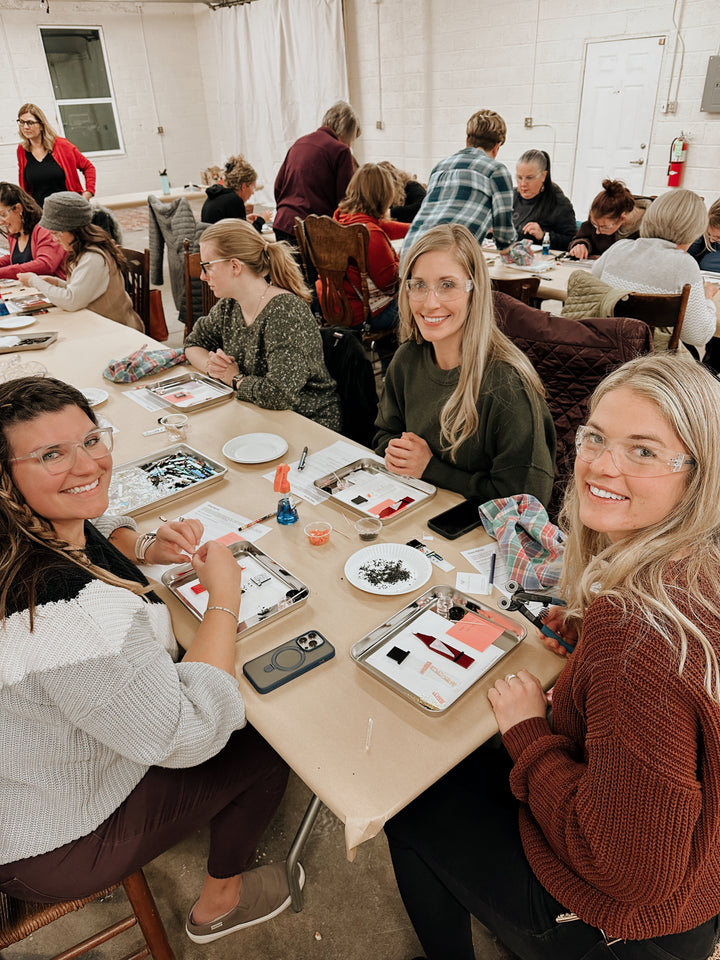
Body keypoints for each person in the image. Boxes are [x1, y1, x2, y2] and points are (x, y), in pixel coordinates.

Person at [385, 352, 720, 960]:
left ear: (696, 475)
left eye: (643, 451)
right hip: (698, 885)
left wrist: (528, 735)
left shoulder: (638, 635)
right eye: (595, 437)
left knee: (414, 804)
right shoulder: (692, 571)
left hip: (624, 923)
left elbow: (631, 871)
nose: (601, 465)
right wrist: (590, 640)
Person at [0, 376, 297, 945]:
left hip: (35, 771)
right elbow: (188, 731)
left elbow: (92, 517)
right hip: (44, 839)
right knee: (264, 742)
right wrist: (225, 601)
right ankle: (220, 903)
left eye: (91, 440)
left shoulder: (25, 530)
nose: (87, 466)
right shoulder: (70, 613)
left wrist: (139, 545)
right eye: (50, 454)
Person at [374, 223, 555, 504]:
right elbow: (385, 433)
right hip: (417, 513)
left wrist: (430, 469)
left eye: (447, 285)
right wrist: (397, 453)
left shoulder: (508, 385)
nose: (429, 303)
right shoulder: (407, 359)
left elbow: (527, 502)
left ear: (475, 292)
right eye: (418, 285)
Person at [184, 219, 341, 430]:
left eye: (207, 266)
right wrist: (213, 368)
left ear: (234, 266)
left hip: (306, 425)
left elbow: (279, 394)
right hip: (259, 415)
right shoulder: (229, 306)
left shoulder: (285, 312)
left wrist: (234, 377)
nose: (203, 276)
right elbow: (193, 344)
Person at [592, 189, 719, 352]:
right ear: (695, 230)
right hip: (651, 363)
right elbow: (697, 336)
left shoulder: (618, 248)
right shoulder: (684, 264)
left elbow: (592, 290)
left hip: (604, 350)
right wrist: (707, 299)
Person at [17, 192, 142, 330]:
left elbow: (72, 301)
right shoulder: (84, 251)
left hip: (116, 329)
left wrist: (34, 281)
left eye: (56, 233)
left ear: (74, 229)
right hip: (100, 325)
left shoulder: (93, 257)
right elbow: (86, 290)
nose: (54, 239)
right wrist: (58, 283)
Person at [402, 110, 516, 255]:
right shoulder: (496, 171)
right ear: (497, 147)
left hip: (409, 254)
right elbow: (504, 238)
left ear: (467, 141)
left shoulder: (440, 167)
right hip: (447, 259)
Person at [332, 162, 409, 330]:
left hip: (335, 304)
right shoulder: (371, 235)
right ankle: (395, 354)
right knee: (418, 303)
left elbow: (382, 226)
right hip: (362, 313)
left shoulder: (341, 218)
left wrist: (416, 228)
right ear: (384, 195)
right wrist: (403, 254)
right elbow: (390, 284)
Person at [273, 101, 361, 245]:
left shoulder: (299, 143)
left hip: (283, 222)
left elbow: (278, 186)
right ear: (347, 132)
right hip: (312, 229)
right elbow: (345, 200)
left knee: (287, 268)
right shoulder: (340, 150)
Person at [16, 103, 96, 206]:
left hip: (69, 209)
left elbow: (88, 167)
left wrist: (88, 193)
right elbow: (25, 188)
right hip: (41, 214)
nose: (25, 127)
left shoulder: (62, 146)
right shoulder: (22, 150)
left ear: (41, 125)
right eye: (22, 122)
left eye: (30, 122)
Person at [512, 149, 577, 251]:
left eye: (529, 178)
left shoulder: (559, 203)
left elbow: (572, 241)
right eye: (519, 177)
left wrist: (543, 235)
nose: (523, 184)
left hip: (541, 262)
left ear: (543, 176)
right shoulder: (510, 196)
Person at [0, 181, 66, 280]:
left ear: (18, 208)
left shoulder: (45, 229)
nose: (1, 222)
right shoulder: (14, 233)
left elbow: (45, 265)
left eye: (3, 215)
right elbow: (18, 259)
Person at [568, 180, 639, 259]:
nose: (597, 231)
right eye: (595, 225)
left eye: (603, 227)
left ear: (622, 218)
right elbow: (584, 237)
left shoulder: (647, 228)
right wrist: (581, 245)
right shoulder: (599, 217)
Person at [202, 154, 269, 231]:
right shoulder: (234, 200)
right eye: (252, 187)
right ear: (243, 186)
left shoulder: (216, 195)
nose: (252, 192)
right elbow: (246, 236)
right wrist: (261, 220)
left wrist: (244, 219)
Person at [689, 197, 720, 273]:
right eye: (709, 234)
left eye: (718, 238)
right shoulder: (702, 236)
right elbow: (683, 259)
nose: (711, 240)